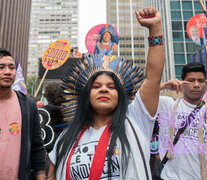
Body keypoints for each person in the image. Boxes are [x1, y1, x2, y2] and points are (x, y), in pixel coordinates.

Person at [48, 7, 164, 180]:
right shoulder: (67, 137)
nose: (104, 89)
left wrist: (155, 29)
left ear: (121, 96)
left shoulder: (136, 119)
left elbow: (154, 77)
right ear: (86, 95)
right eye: (96, 86)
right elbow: (52, 175)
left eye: (111, 87)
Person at [0, 48, 46, 179]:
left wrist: (41, 175)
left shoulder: (28, 104)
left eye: (12, 67)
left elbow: (37, 145)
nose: (7, 72)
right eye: (1, 67)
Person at [158, 62, 207, 180]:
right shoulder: (166, 104)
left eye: (200, 81)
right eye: (191, 80)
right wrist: (164, 86)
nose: (196, 85)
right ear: (182, 82)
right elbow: (136, 97)